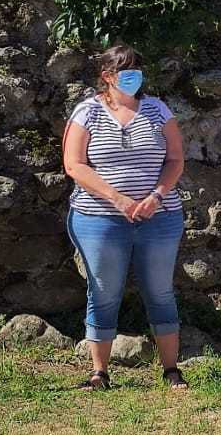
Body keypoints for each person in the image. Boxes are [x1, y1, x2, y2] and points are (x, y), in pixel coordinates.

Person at [61, 45, 187, 391]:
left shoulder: (158, 110)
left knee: (160, 290)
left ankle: (171, 370)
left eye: (138, 69)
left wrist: (155, 196)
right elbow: (74, 164)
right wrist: (117, 200)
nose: (134, 76)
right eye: (125, 70)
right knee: (103, 291)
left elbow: (175, 159)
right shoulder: (87, 112)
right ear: (107, 76)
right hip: (99, 218)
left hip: (159, 217)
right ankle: (99, 373)